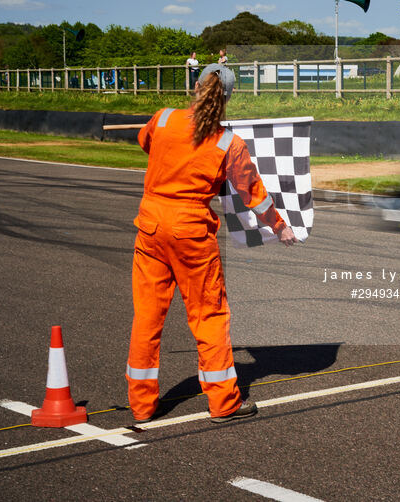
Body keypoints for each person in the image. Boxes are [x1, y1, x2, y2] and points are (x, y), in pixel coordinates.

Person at [126, 64, 297, 425]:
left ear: (196, 86)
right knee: (209, 316)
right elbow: (254, 195)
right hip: (191, 231)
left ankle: (141, 406)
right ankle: (223, 402)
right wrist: (279, 226)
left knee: (147, 316)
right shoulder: (227, 143)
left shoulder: (162, 118)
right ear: (228, 98)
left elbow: (146, 144)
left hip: (152, 225)